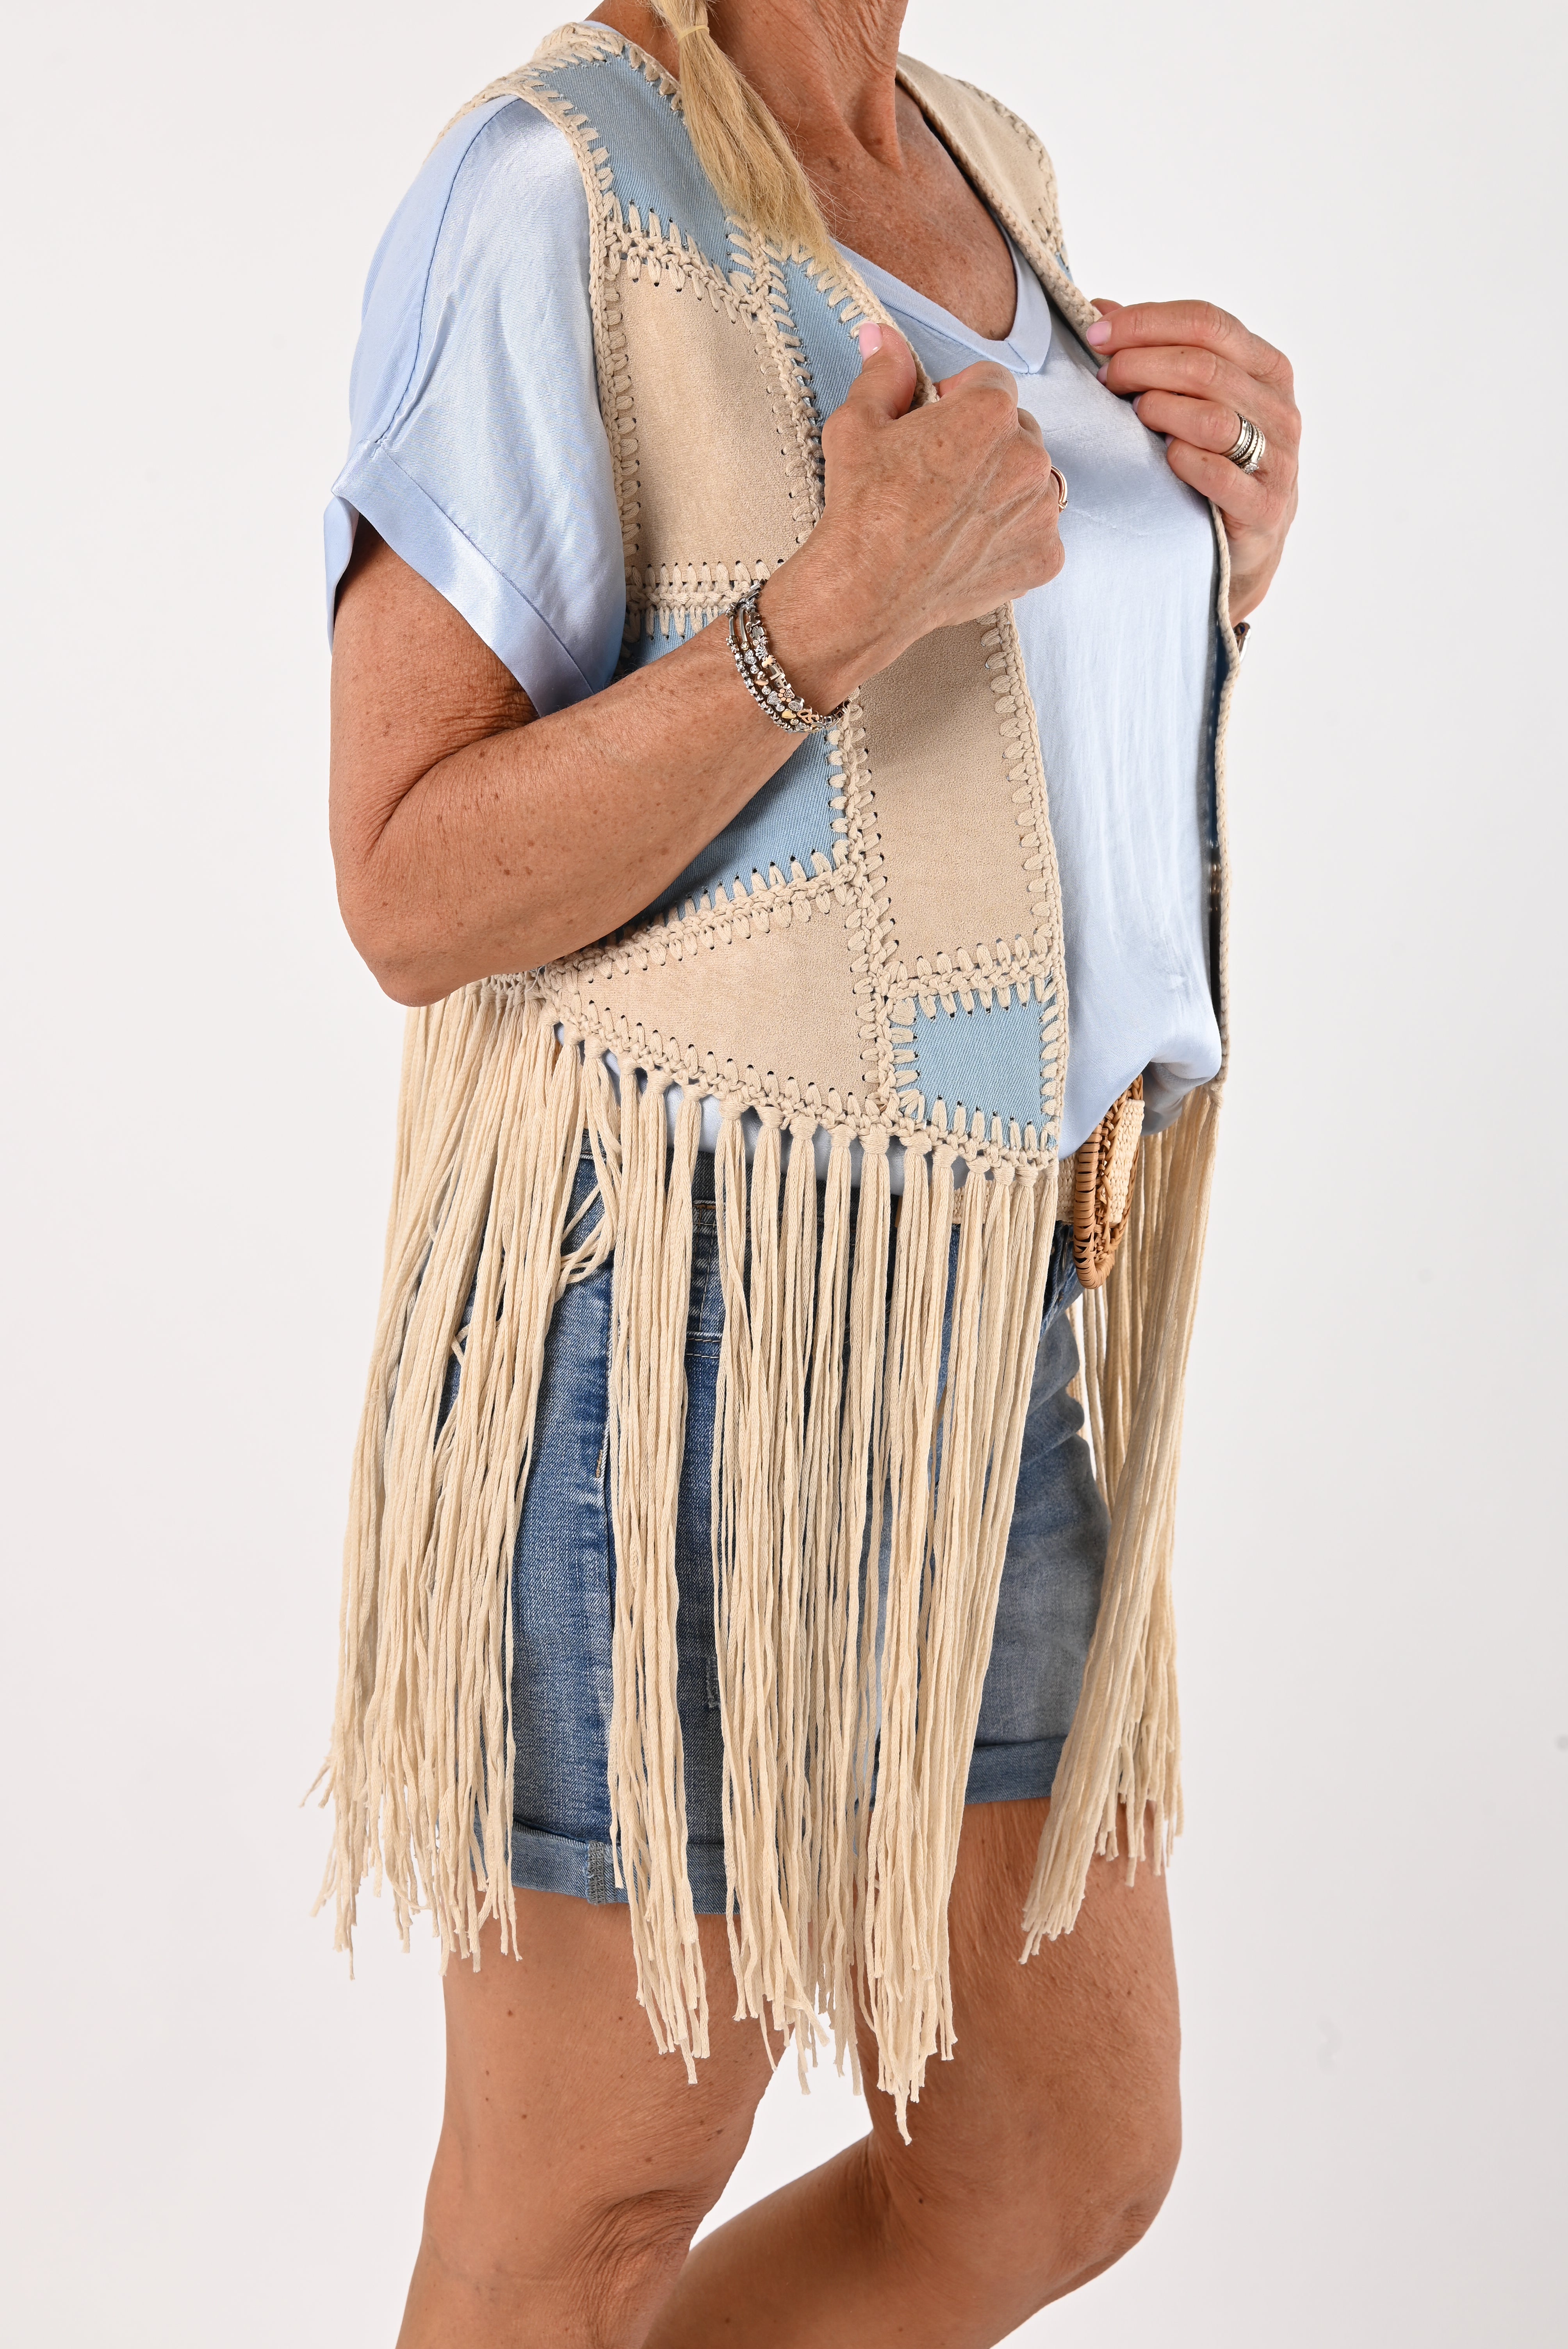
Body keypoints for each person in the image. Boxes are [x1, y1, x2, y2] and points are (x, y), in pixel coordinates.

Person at [322, 3, 1300, 2340]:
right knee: (587, 2207)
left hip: (999, 1297)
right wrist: (824, 617)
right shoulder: (554, 188)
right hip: (677, 1314)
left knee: (1060, 2153)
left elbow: (975, 749)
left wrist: (1215, 557)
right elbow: (405, 882)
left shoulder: (983, 160)